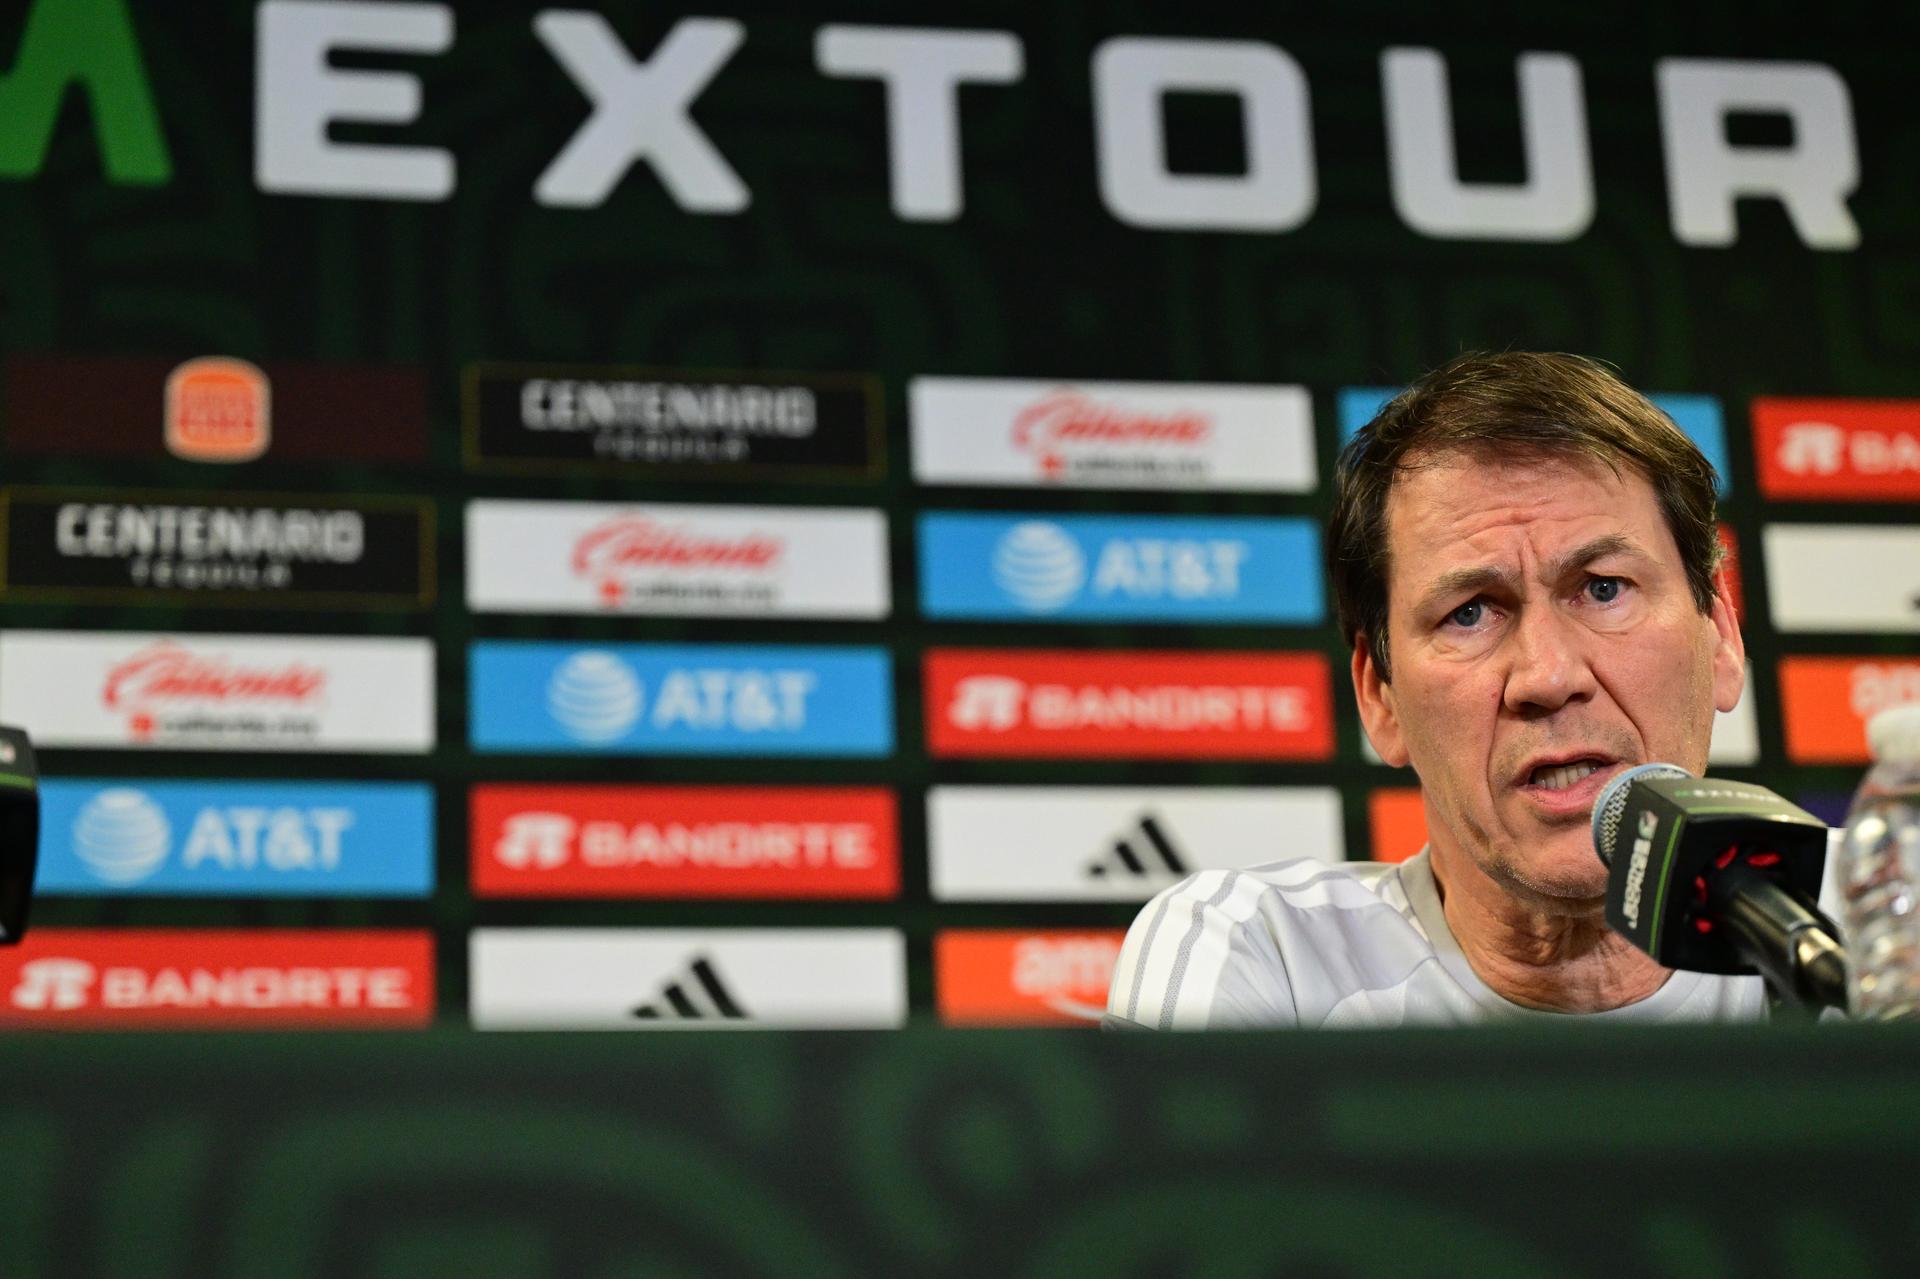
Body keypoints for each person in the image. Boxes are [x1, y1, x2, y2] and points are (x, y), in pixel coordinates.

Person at [1105, 350, 1757, 1028]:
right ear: (1378, 696)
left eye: (1603, 588)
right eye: (1469, 611)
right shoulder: (1266, 958)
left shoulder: (1865, 928)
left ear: (1720, 637)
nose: (1548, 676)